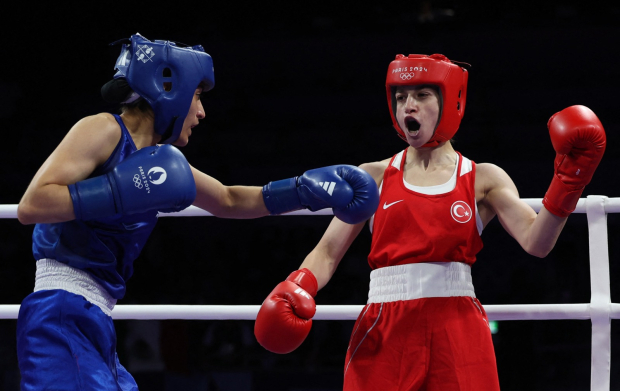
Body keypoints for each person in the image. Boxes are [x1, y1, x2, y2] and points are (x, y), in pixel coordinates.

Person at [15, 33, 379, 391]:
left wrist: (305, 189)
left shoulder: (163, 163)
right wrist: (118, 191)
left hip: (96, 317)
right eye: (198, 96)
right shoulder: (103, 129)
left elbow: (229, 200)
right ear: (170, 89)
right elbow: (33, 205)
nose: (202, 112)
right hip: (60, 311)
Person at [254, 53, 606, 390]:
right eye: (401, 96)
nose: (409, 105)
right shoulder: (372, 177)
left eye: (422, 94)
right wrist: (299, 284)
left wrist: (568, 182)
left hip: (458, 324)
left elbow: (537, 242)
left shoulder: (482, 177)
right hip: (384, 325)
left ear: (451, 101)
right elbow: (328, 252)